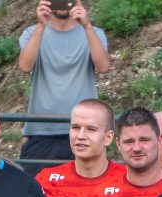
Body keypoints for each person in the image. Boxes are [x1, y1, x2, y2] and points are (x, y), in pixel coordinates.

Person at [17, 0, 110, 177]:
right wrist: (40, 26)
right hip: (41, 131)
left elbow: (103, 66)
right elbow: (25, 65)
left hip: (85, 131)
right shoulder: (32, 33)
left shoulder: (94, 33)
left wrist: (87, 26)